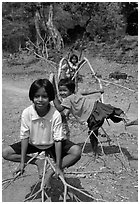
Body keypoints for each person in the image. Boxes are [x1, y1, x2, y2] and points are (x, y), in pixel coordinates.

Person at [2, 78, 81, 188]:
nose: (40, 100)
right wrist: (22, 162)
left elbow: (58, 140)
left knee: (76, 151)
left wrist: (58, 166)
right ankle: (38, 161)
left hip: (52, 143)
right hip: (33, 143)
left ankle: (50, 172)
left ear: (50, 98)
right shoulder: (27, 113)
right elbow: (24, 137)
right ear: (32, 97)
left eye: (44, 97)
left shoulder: (55, 114)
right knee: (5, 152)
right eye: (36, 96)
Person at [52, 76, 131, 158]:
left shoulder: (67, 100)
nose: (62, 93)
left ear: (71, 90)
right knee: (110, 110)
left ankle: (95, 151)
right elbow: (86, 92)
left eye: (65, 90)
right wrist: (97, 91)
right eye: (60, 90)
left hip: (91, 114)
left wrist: (53, 97)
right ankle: (124, 118)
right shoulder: (76, 94)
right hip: (96, 106)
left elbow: (59, 108)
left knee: (93, 133)